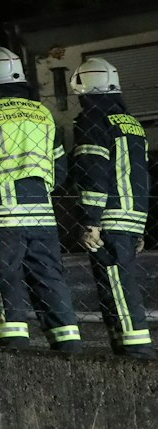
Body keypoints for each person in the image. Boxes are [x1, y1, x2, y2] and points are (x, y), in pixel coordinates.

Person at [0, 46, 81, 354]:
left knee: (7, 276)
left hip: (2, 210)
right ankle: (67, 342)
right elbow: (59, 166)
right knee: (50, 276)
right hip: (42, 211)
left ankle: (16, 346)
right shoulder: (42, 113)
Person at [70, 56, 154, 358]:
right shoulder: (131, 123)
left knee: (117, 288)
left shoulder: (94, 120)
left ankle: (137, 355)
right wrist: (141, 226)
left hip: (108, 218)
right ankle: (128, 348)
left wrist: (91, 220)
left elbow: (93, 171)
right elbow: (141, 175)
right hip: (132, 216)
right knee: (120, 285)